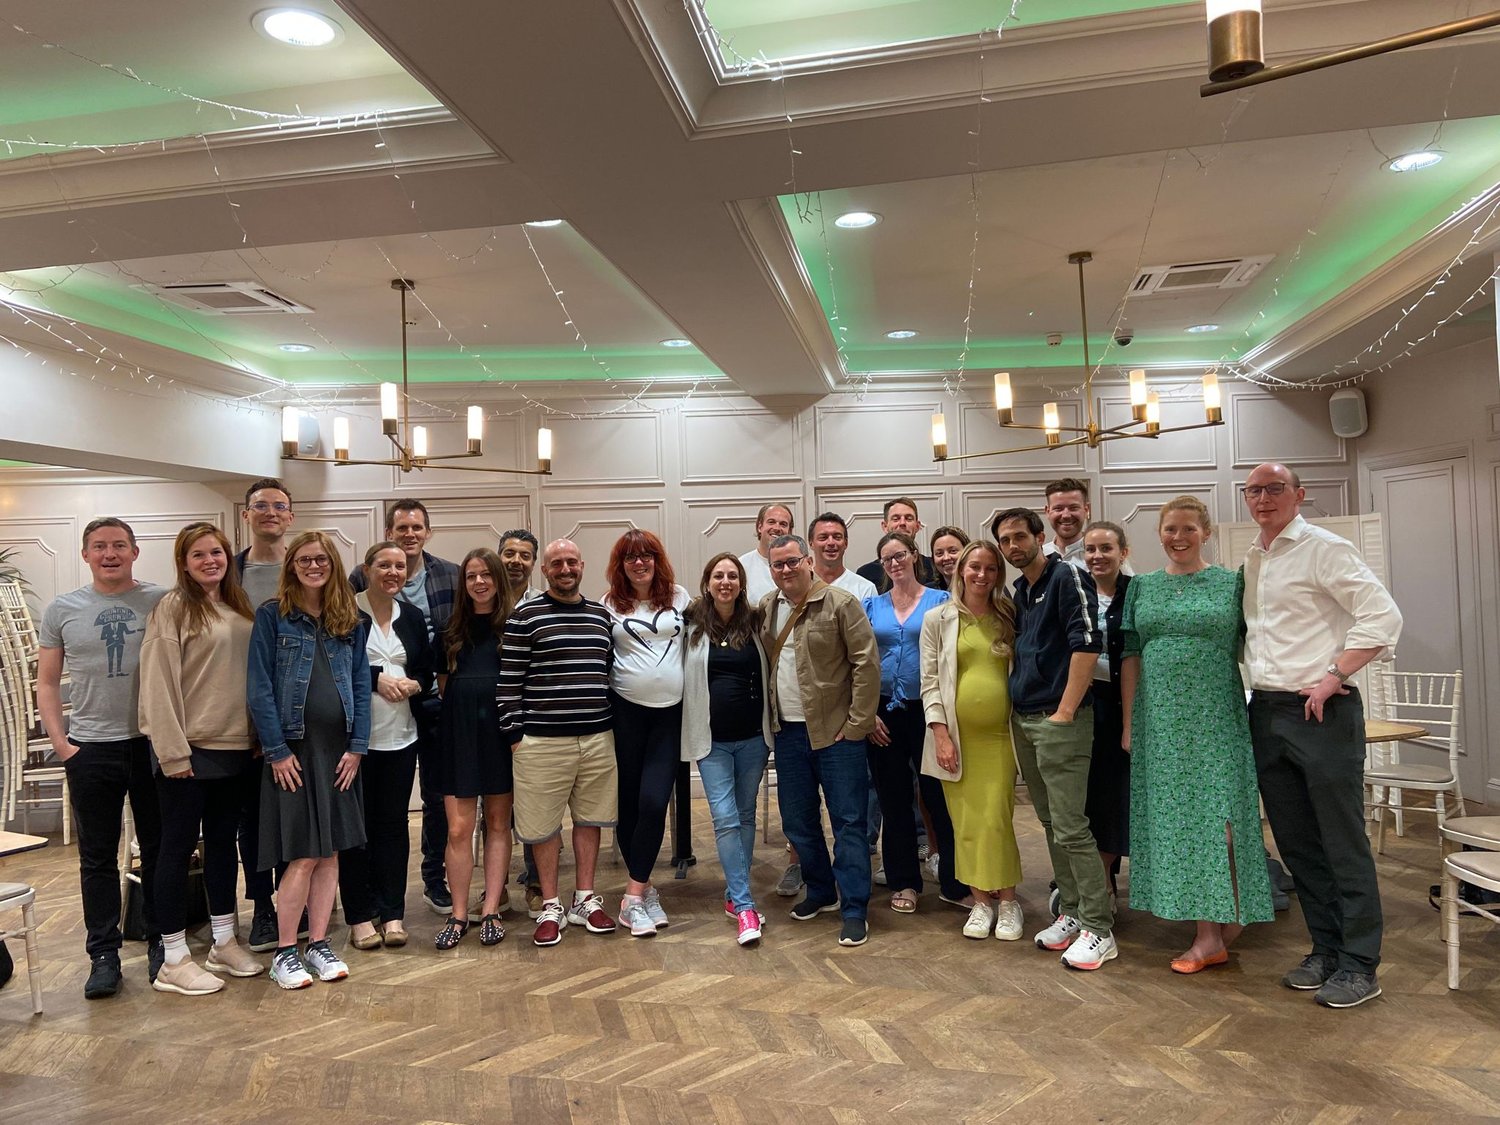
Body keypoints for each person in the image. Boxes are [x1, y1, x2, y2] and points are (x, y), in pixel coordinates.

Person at [1241, 463, 1403, 1008]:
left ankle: (1360, 964)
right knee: (1297, 843)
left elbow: (1382, 616)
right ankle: (1327, 949)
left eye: (1275, 489)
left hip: (1321, 712)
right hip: (1267, 710)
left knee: (1342, 840)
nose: (1264, 498)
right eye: (1254, 491)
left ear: (1299, 494)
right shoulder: (1254, 558)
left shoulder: (1326, 548)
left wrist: (1335, 675)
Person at [1119, 498, 1274, 974]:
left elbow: (1262, 641)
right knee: (1179, 824)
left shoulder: (1233, 582)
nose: (1178, 537)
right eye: (1170, 529)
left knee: (1223, 824)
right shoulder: (1142, 586)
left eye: (1188, 528)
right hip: (1160, 722)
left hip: (1216, 719)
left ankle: (1233, 915)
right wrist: (1129, 723)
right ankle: (1208, 936)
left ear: (1205, 532)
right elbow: (1131, 656)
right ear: (1159, 534)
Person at [37, 518, 166, 999]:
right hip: (90, 748)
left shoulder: (161, 601)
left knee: (159, 850)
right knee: (96, 858)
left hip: (152, 745)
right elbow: (47, 681)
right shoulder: (62, 609)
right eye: (99, 546)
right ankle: (104, 955)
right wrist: (62, 744)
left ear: (134, 552)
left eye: (118, 545)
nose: (109, 553)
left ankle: (162, 942)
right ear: (85, 554)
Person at [139, 523, 264, 995]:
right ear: (184, 563)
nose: (210, 561)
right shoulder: (172, 608)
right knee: (176, 850)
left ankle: (224, 941)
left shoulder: (239, 606)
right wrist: (172, 752)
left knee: (223, 846)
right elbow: (158, 683)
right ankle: (173, 958)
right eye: (199, 554)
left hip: (236, 749)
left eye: (217, 552)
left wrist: (257, 735)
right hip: (188, 751)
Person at [248, 531, 370, 990]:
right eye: (304, 560)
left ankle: (318, 942)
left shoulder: (349, 620)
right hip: (294, 753)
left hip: (339, 753)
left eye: (321, 559)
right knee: (301, 855)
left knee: (331, 852)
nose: (313, 566)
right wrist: (276, 750)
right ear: (292, 567)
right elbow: (259, 688)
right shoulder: (272, 616)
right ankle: (285, 951)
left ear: (333, 565)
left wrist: (358, 747)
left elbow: (361, 684)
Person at [993, 507, 1114, 970]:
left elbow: (1087, 643)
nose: (1012, 546)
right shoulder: (1021, 590)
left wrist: (1064, 712)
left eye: (1019, 537)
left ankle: (1099, 927)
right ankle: (1073, 912)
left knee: (1071, 826)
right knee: (1049, 823)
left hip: (1059, 721)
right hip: (1026, 720)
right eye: (1005, 540)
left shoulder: (1068, 576)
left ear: (1039, 536)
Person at [498, 539, 620, 947]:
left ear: (582, 565)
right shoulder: (524, 617)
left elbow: (605, 673)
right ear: (545, 570)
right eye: (557, 564)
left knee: (590, 820)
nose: (565, 569)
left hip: (597, 738)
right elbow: (508, 684)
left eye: (571, 562)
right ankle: (550, 903)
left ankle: (584, 898)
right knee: (543, 827)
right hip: (540, 743)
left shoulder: (601, 617)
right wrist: (515, 739)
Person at [761, 534, 880, 948]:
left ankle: (855, 908)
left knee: (849, 822)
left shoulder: (841, 603)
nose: (786, 569)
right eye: (778, 564)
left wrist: (858, 724)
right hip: (788, 733)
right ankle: (821, 890)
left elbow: (866, 663)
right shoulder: (768, 607)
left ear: (808, 561)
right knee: (797, 820)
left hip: (836, 734)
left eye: (792, 561)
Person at [350, 499, 460, 919]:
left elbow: (448, 641)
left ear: (427, 532)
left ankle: (433, 879)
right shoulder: (356, 585)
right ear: (388, 533)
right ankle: (366, 903)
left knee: (435, 798)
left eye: (417, 527)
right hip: (369, 715)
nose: (410, 534)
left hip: (430, 703)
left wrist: (428, 681)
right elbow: (342, 650)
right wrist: (376, 678)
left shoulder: (449, 575)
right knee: (372, 812)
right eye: (401, 528)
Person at [920, 541, 1024, 941]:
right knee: (965, 824)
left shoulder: (1008, 614)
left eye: (991, 568)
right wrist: (940, 734)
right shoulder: (938, 619)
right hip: (956, 740)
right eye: (975, 567)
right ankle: (980, 902)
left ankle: (1009, 902)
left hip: (1000, 739)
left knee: (996, 820)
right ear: (961, 569)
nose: (982, 575)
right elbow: (929, 681)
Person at [863, 531, 965, 914]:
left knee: (939, 799)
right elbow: (859, 661)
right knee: (893, 800)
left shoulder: (941, 600)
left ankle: (955, 882)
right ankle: (904, 880)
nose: (894, 563)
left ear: (914, 556)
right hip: (884, 714)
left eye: (900, 555)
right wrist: (867, 712)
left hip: (930, 711)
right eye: (887, 558)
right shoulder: (871, 606)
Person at [340, 541, 434, 951]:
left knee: (393, 827)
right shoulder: (345, 610)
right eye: (384, 565)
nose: (393, 572)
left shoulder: (410, 615)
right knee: (356, 830)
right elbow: (336, 666)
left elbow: (426, 669)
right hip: (354, 742)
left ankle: (393, 912)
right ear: (367, 569)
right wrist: (376, 677)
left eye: (399, 567)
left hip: (401, 737)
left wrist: (415, 684)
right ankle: (360, 916)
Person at [681, 553, 773, 946]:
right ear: (707, 582)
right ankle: (745, 905)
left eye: (732, 576)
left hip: (753, 738)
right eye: (718, 575)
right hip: (711, 741)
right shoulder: (690, 624)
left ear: (741, 583)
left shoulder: (755, 621)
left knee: (745, 816)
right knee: (725, 818)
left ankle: (735, 895)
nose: (725, 582)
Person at [602, 530, 689, 937]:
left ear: (658, 559)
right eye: (630, 557)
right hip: (625, 715)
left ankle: (632, 897)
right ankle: (644, 890)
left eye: (647, 555)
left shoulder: (680, 598)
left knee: (654, 802)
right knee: (630, 805)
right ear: (620, 565)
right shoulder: (608, 605)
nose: (639, 563)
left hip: (669, 716)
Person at [432, 549, 516, 949]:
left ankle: (492, 909)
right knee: (458, 829)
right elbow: (444, 688)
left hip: (501, 735)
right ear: (463, 583)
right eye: (471, 576)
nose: (479, 582)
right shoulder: (449, 631)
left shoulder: (515, 628)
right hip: (459, 736)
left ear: (498, 579)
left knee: (498, 824)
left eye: (486, 575)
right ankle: (459, 912)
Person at [233, 479, 296, 952]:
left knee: (297, 812)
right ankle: (262, 908)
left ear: (290, 516)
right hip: (238, 714)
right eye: (261, 506)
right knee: (251, 819)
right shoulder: (227, 574)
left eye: (279, 506)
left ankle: (300, 899)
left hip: (298, 713)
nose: (270, 512)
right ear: (246, 514)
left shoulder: (309, 567)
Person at [1081, 521, 1132, 904]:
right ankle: (1091, 880)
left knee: (1116, 796)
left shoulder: (1137, 592)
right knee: (1088, 796)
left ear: (1123, 553)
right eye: (1091, 549)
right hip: (1086, 703)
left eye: (1106, 548)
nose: (1097, 556)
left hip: (1124, 704)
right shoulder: (1076, 592)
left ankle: (1104, 879)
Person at [498, 528, 544, 917]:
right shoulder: (482, 599)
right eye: (509, 553)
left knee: (535, 802)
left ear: (534, 563)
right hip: (489, 717)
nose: (516, 561)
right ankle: (495, 888)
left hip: (531, 719)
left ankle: (536, 883)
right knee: (494, 807)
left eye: (524, 555)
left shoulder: (543, 604)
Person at [855, 498, 944, 590]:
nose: (902, 523)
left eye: (908, 518)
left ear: (917, 526)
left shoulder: (934, 567)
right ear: (885, 526)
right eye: (896, 519)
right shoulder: (866, 574)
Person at [808, 513, 877, 599]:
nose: (831, 543)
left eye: (837, 537)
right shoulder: (799, 586)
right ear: (811, 543)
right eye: (823, 537)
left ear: (846, 543)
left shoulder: (865, 589)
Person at [739, 502, 794, 604]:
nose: (777, 528)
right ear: (759, 527)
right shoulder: (742, 566)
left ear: (790, 531)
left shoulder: (798, 565)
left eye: (783, 524)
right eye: (771, 522)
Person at [1041, 478, 1091, 568]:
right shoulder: (1039, 556)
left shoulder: (1099, 557)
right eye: (1058, 508)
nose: (1066, 515)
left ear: (1086, 510)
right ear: (1048, 512)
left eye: (1073, 508)